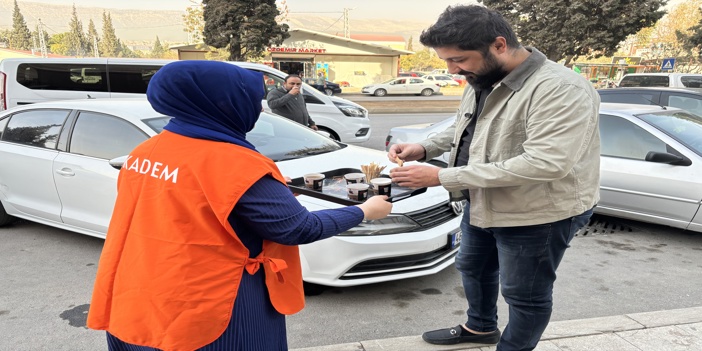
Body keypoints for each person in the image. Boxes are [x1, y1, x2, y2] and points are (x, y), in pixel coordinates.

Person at [86, 60, 392, 351]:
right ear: (223, 103)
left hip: (144, 287)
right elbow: (298, 228)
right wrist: (365, 210)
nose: (257, 109)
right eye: (250, 100)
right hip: (215, 299)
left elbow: (185, 206)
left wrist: (266, 199)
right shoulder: (236, 163)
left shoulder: (147, 150)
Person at [387, 5, 600, 351]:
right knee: (472, 266)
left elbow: (546, 163)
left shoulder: (561, 88)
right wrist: (423, 148)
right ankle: (480, 328)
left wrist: (443, 176)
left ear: (499, 45)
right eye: (446, 61)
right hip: (482, 199)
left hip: (538, 212)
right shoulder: (481, 77)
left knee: (524, 293)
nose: (453, 70)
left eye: (459, 59)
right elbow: (466, 127)